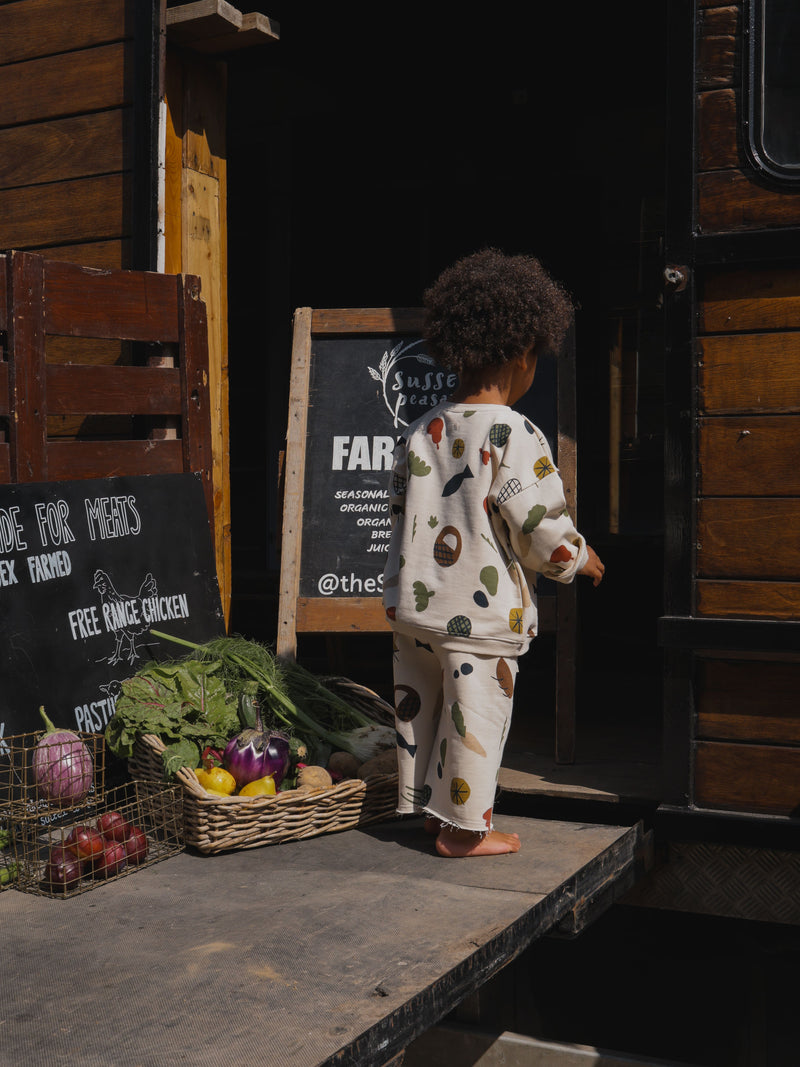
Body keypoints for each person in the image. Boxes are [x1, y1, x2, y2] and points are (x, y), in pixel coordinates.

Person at [382, 248, 605, 858]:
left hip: (415, 607)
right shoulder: (513, 430)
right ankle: (462, 831)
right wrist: (576, 558)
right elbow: (535, 520)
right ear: (522, 356)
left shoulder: (422, 428)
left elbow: (402, 513)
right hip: (478, 616)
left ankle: (432, 812)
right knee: (475, 720)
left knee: (424, 716)